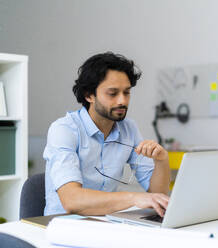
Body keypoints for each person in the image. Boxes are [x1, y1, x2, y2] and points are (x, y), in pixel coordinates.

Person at [43, 52, 170, 217]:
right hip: (63, 224)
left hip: (106, 222)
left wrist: (161, 161)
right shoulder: (64, 129)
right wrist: (133, 198)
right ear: (89, 95)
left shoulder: (128, 128)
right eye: (113, 93)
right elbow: (71, 200)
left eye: (126, 92)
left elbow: (157, 195)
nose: (122, 101)